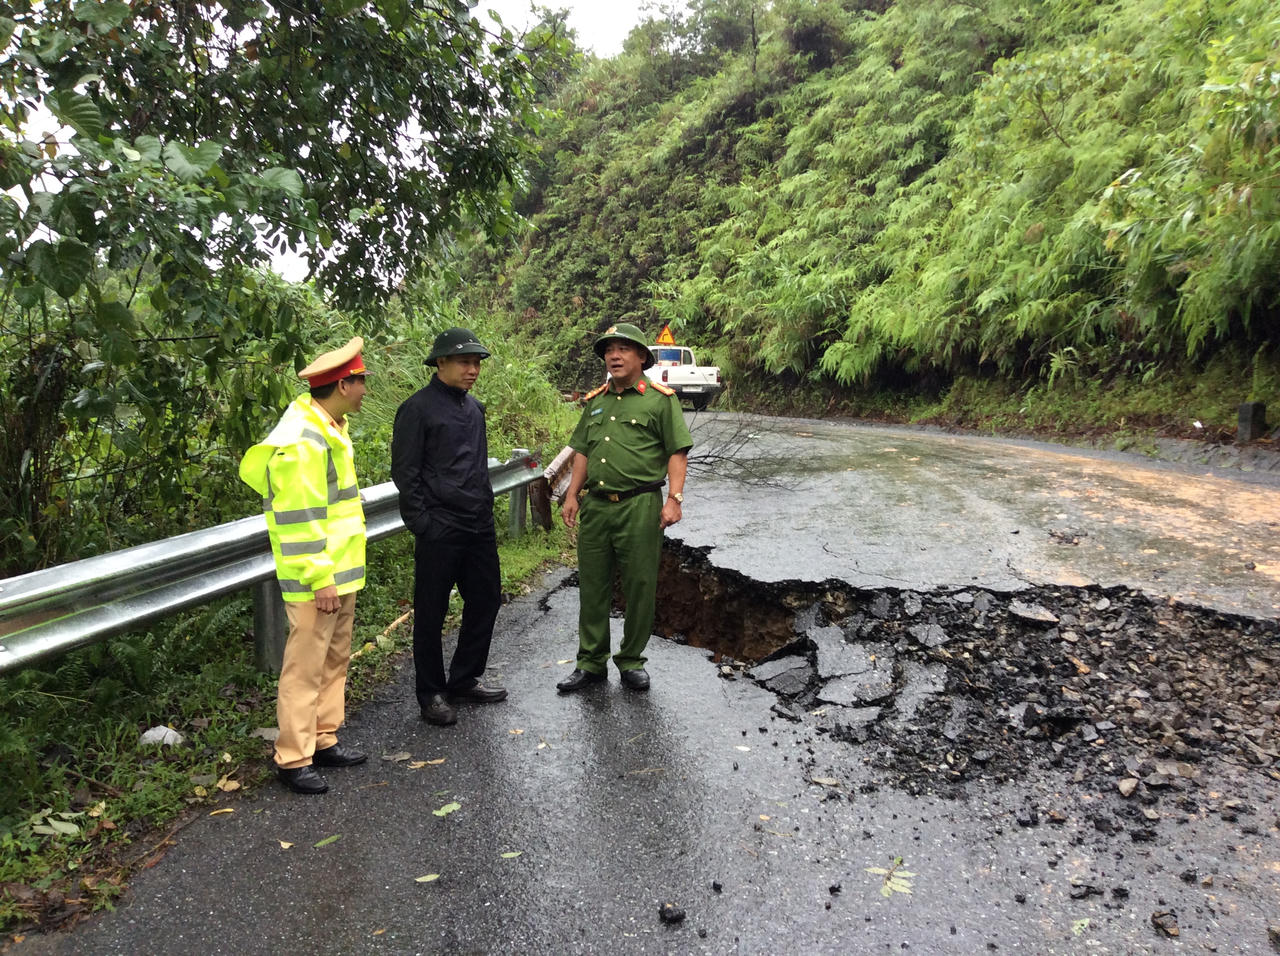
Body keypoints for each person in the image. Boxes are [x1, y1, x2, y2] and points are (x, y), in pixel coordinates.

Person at [239, 337, 370, 795]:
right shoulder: (302, 439)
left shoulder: (328, 424)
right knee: (305, 666)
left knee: (334, 659)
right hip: (319, 578)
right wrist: (320, 579)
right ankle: (293, 757)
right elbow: (300, 517)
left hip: (340, 570)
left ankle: (323, 738)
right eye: (361, 382)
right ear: (342, 384)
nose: (365, 390)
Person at [557, 323, 693, 693]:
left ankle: (631, 660)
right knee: (593, 587)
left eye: (622, 349)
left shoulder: (660, 400)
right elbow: (582, 451)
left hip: (640, 505)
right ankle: (590, 662)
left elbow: (676, 452)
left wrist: (674, 499)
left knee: (639, 586)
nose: (613, 356)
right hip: (597, 508)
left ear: (641, 358)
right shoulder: (596, 401)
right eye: (608, 350)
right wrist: (572, 494)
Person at [391, 327, 507, 726]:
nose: (472, 369)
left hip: (477, 524)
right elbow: (405, 472)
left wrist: (485, 508)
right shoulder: (417, 408)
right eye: (464, 361)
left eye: (476, 363)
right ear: (440, 362)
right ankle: (431, 693)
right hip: (439, 527)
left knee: (487, 598)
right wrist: (422, 523)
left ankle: (464, 678)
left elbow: (476, 466)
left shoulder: (474, 409)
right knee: (431, 611)